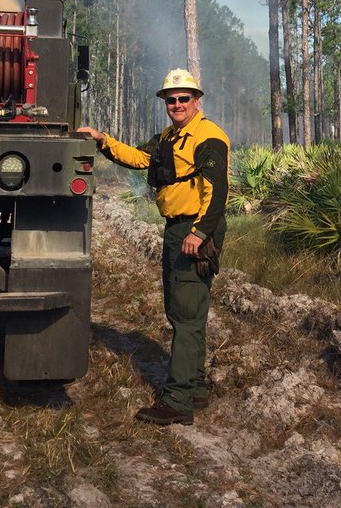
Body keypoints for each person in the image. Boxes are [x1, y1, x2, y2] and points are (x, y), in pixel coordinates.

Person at [78, 68, 229, 426]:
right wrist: (102, 140)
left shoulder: (208, 136)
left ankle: (177, 401)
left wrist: (199, 233)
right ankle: (194, 387)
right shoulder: (168, 138)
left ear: (196, 100)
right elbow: (138, 158)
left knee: (186, 314)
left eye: (183, 98)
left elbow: (217, 190)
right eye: (170, 99)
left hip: (194, 229)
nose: (176, 104)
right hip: (178, 228)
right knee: (186, 310)